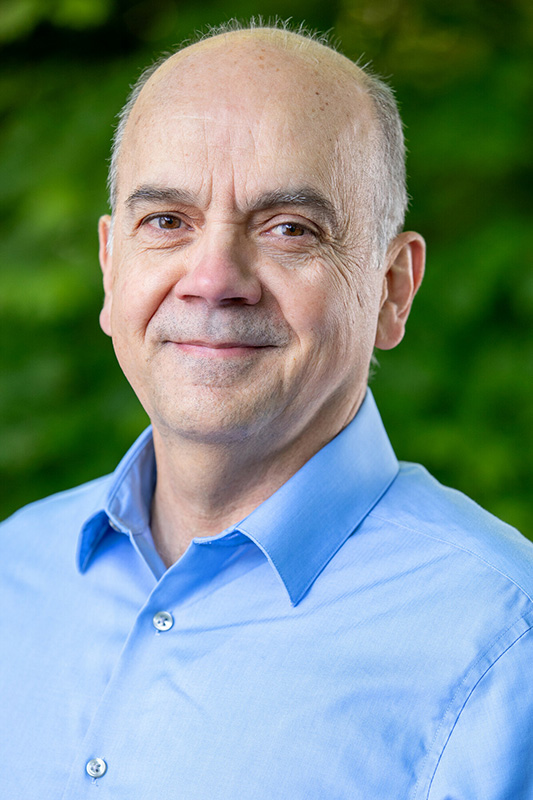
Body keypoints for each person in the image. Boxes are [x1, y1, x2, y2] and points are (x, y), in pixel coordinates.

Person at [1, 21, 532, 800]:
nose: (213, 278)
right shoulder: (17, 571)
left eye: (289, 229)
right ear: (112, 268)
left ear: (392, 289)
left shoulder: (504, 647)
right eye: (167, 221)